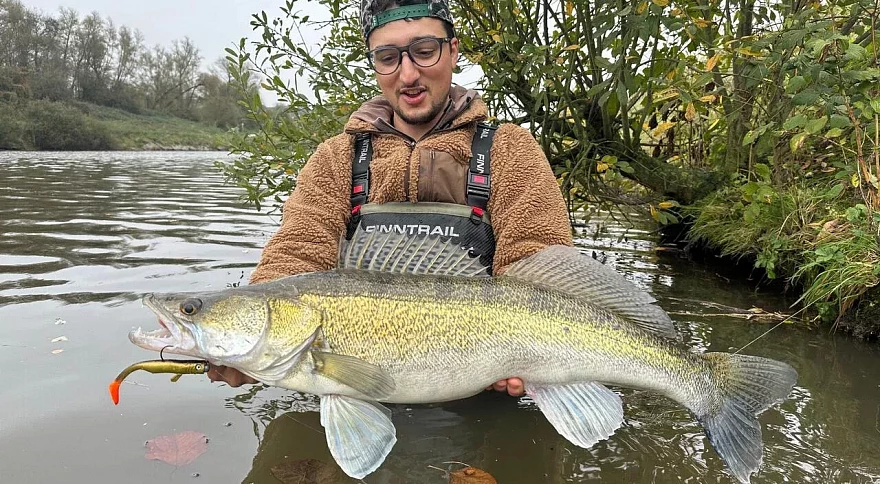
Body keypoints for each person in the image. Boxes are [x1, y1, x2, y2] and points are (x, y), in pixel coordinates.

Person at [208, 0, 573, 397]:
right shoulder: (337, 157)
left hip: (483, 392)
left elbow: (539, 263)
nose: (408, 74)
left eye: (424, 50)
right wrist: (255, 350)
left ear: (453, 50)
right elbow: (296, 259)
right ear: (374, 63)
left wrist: (515, 354)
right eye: (387, 57)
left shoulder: (509, 148)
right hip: (355, 381)